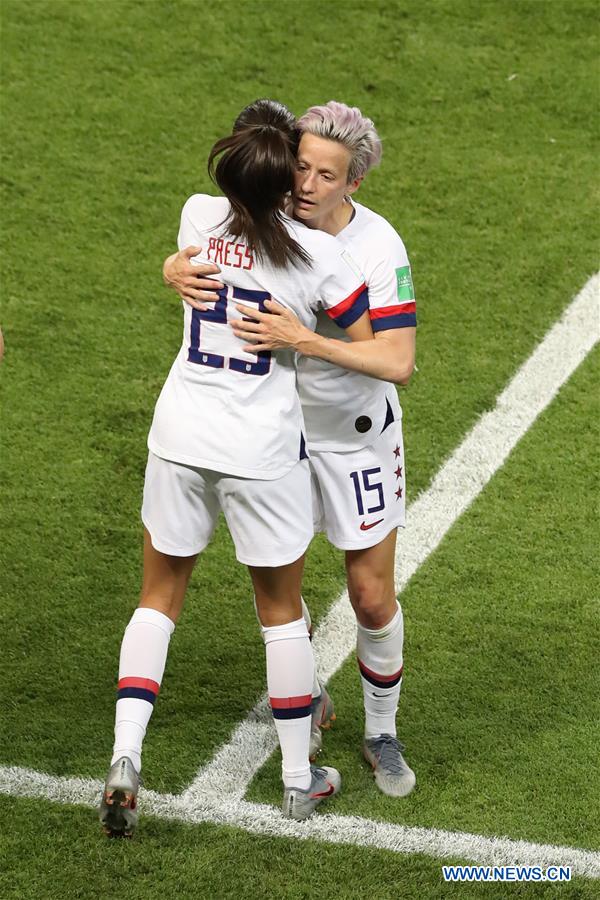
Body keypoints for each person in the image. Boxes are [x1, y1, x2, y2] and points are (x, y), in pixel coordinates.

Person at [100, 99, 373, 837]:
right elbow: (368, 334)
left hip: (180, 435)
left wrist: (171, 270)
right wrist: (300, 333)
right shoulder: (319, 256)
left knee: (157, 597)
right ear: (286, 178)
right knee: (281, 615)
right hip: (259, 452)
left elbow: (202, 253)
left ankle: (126, 757)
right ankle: (297, 779)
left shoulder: (196, 217)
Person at [163, 101, 418, 798]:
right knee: (284, 590)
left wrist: (302, 340)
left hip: (358, 443)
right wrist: (171, 270)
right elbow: (204, 247)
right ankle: (303, 699)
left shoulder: (376, 249)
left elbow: (398, 361)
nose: (304, 184)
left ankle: (380, 730)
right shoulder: (267, 218)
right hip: (284, 441)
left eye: (324, 175)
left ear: (353, 185)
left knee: (369, 599)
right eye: (300, 166)